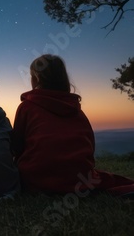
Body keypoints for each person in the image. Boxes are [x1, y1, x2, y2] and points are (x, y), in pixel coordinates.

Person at [12, 54, 134, 196]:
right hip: (79, 179)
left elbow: (17, 146)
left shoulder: (27, 107)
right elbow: (89, 144)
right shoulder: (75, 109)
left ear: (36, 79)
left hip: (35, 180)